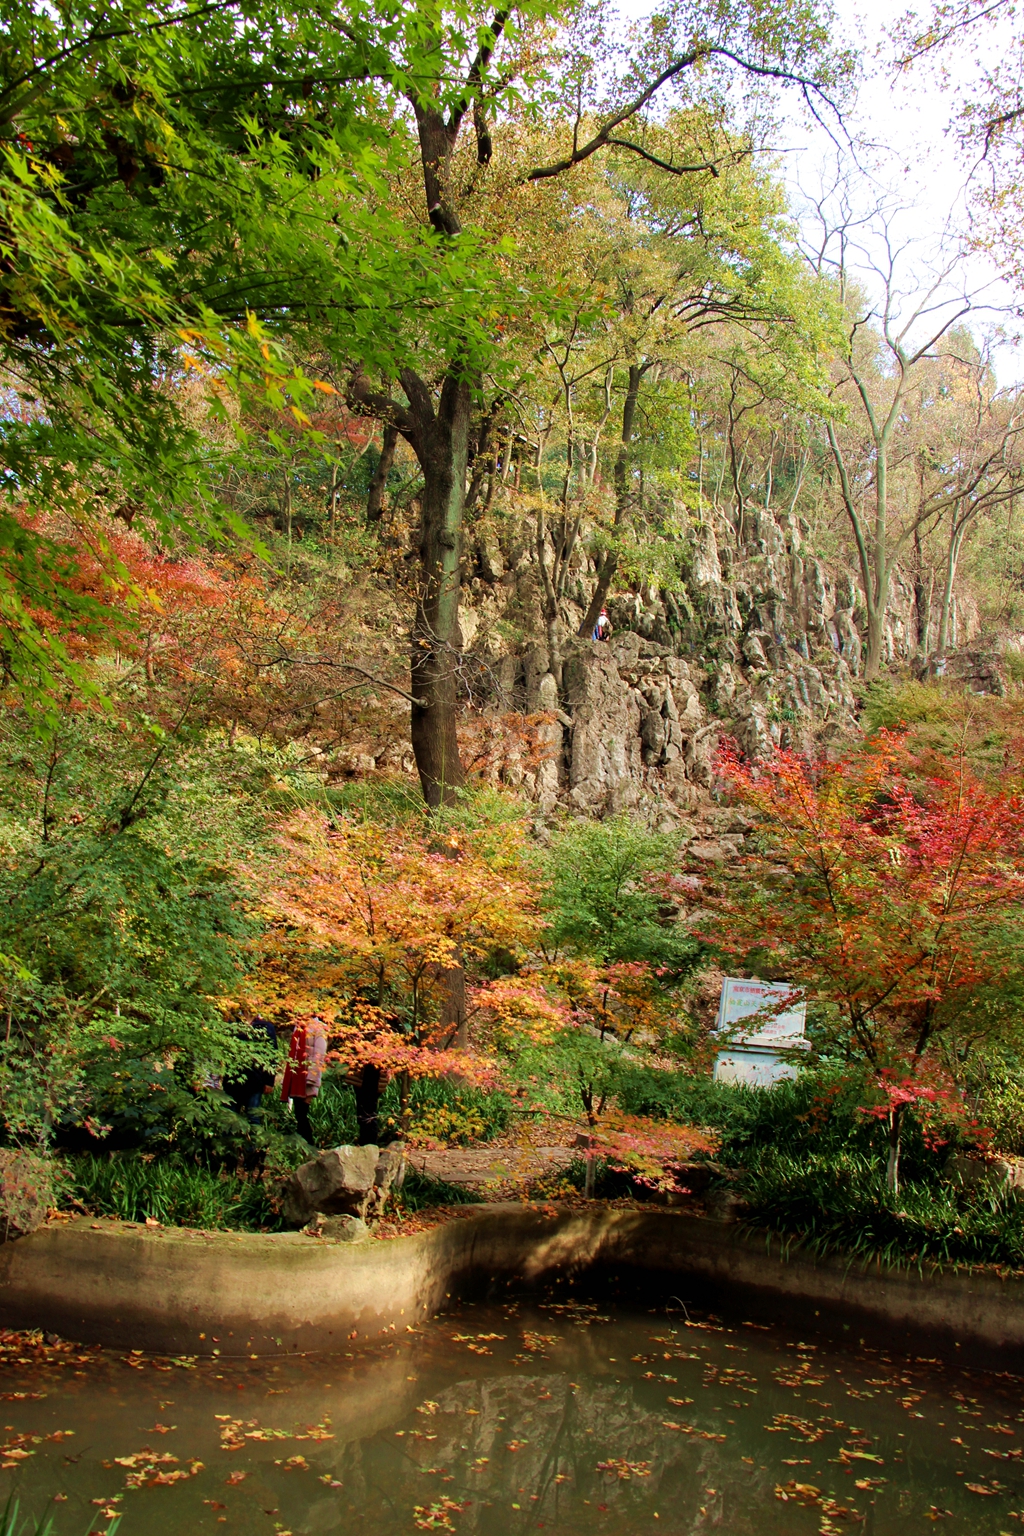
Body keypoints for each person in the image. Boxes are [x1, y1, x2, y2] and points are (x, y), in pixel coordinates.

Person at [281, 1016, 328, 1142]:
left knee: (302, 1114)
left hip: (307, 1078)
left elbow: (319, 1055)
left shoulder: (318, 1029)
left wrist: (311, 1078)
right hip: (296, 1077)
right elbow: (293, 1054)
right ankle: (302, 1146)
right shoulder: (297, 1027)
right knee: (298, 1114)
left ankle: (309, 1145)